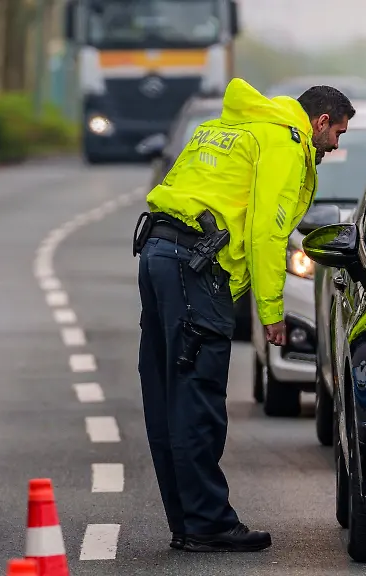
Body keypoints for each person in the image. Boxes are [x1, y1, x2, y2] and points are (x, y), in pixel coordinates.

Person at [132, 78, 354, 552]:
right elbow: (266, 233)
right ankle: (207, 523)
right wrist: (270, 311)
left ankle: (188, 521)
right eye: (338, 133)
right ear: (319, 122)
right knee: (199, 401)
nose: (335, 146)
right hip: (195, 265)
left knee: (167, 395)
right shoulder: (284, 143)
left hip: (158, 252)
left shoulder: (225, 126)